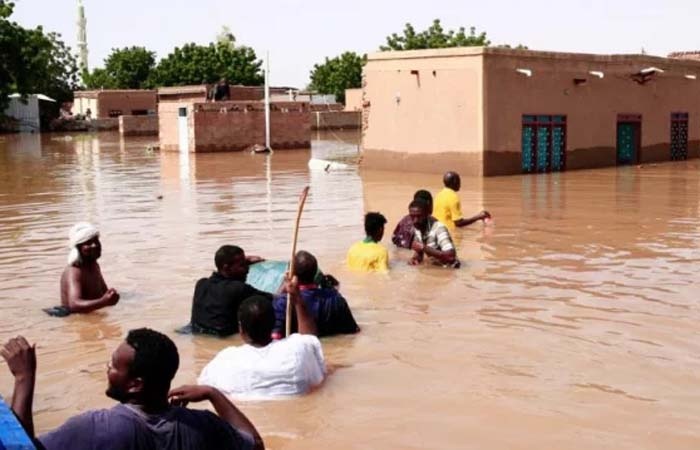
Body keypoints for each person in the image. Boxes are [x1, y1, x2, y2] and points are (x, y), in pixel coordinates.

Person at [2, 330, 264, 450]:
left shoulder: (95, 428)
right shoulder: (203, 425)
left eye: (114, 365)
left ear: (135, 384)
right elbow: (256, 446)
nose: (107, 367)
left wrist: (24, 379)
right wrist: (212, 393)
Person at [198, 276, 325, 399]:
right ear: (274, 323)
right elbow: (310, 340)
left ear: (241, 330)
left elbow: (204, 386)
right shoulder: (296, 350)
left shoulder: (224, 360)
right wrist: (297, 297)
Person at [272, 250, 360, 338]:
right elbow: (353, 331)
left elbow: (275, 337)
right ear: (315, 273)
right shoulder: (336, 298)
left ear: (292, 275)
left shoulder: (284, 302)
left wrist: (282, 289)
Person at [190, 245, 270, 336]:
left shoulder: (201, 284)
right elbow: (273, 300)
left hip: (196, 334)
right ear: (226, 268)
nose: (247, 270)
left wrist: (243, 262)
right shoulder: (238, 288)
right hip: (223, 338)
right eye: (242, 265)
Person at [60, 222, 120, 313]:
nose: (94, 245)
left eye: (96, 241)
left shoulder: (94, 265)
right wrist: (103, 302)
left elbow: (103, 293)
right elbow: (74, 304)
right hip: (77, 321)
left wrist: (111, 296)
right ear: (78, 248)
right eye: (88, 243)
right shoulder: (74, 271)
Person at [409, 199, 459, 268]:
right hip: (436, 268)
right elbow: (419, 253)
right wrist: (415, 259)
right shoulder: (418, 227)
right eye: (412, 216)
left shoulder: (439, 228)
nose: (415, 220)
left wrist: (424, 247)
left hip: (450, 271)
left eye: (419, 216)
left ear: (427, 214)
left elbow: (451, 256)